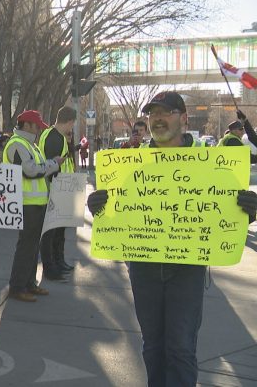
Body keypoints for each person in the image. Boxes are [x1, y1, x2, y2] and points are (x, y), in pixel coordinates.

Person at [87, 91, 257, 387]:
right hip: (143, 266)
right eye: (153, 114)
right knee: (152, 347)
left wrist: (247, 210)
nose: (157, 119)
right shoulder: (129, 164)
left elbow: (225, 211)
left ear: (183, 118)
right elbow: (117, 216)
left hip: (187, 269)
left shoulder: (209, 164)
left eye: (165, 112)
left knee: (179, 347)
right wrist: (98, 207)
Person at [3, 110, 62, 302]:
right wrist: (53, 164)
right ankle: (17, 286)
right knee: (26, 246)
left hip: (34, 203)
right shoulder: (17, 144)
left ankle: (28, 283)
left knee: (31, 246)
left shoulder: (28, 145)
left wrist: (50, 164)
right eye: (36, 126)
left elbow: (34, 168)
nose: (38, 130)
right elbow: (30, 171)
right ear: (27, 125)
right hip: (25, 203)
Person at [37, 106, 76, 282]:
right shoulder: (55, 138)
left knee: (59, 230)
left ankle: (59, 262)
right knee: (51, 232)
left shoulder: (51, 134)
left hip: (61, 187)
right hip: (56, 188)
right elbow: (52, 165)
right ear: (70, 122)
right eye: (72, 124)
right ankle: (50, 268)